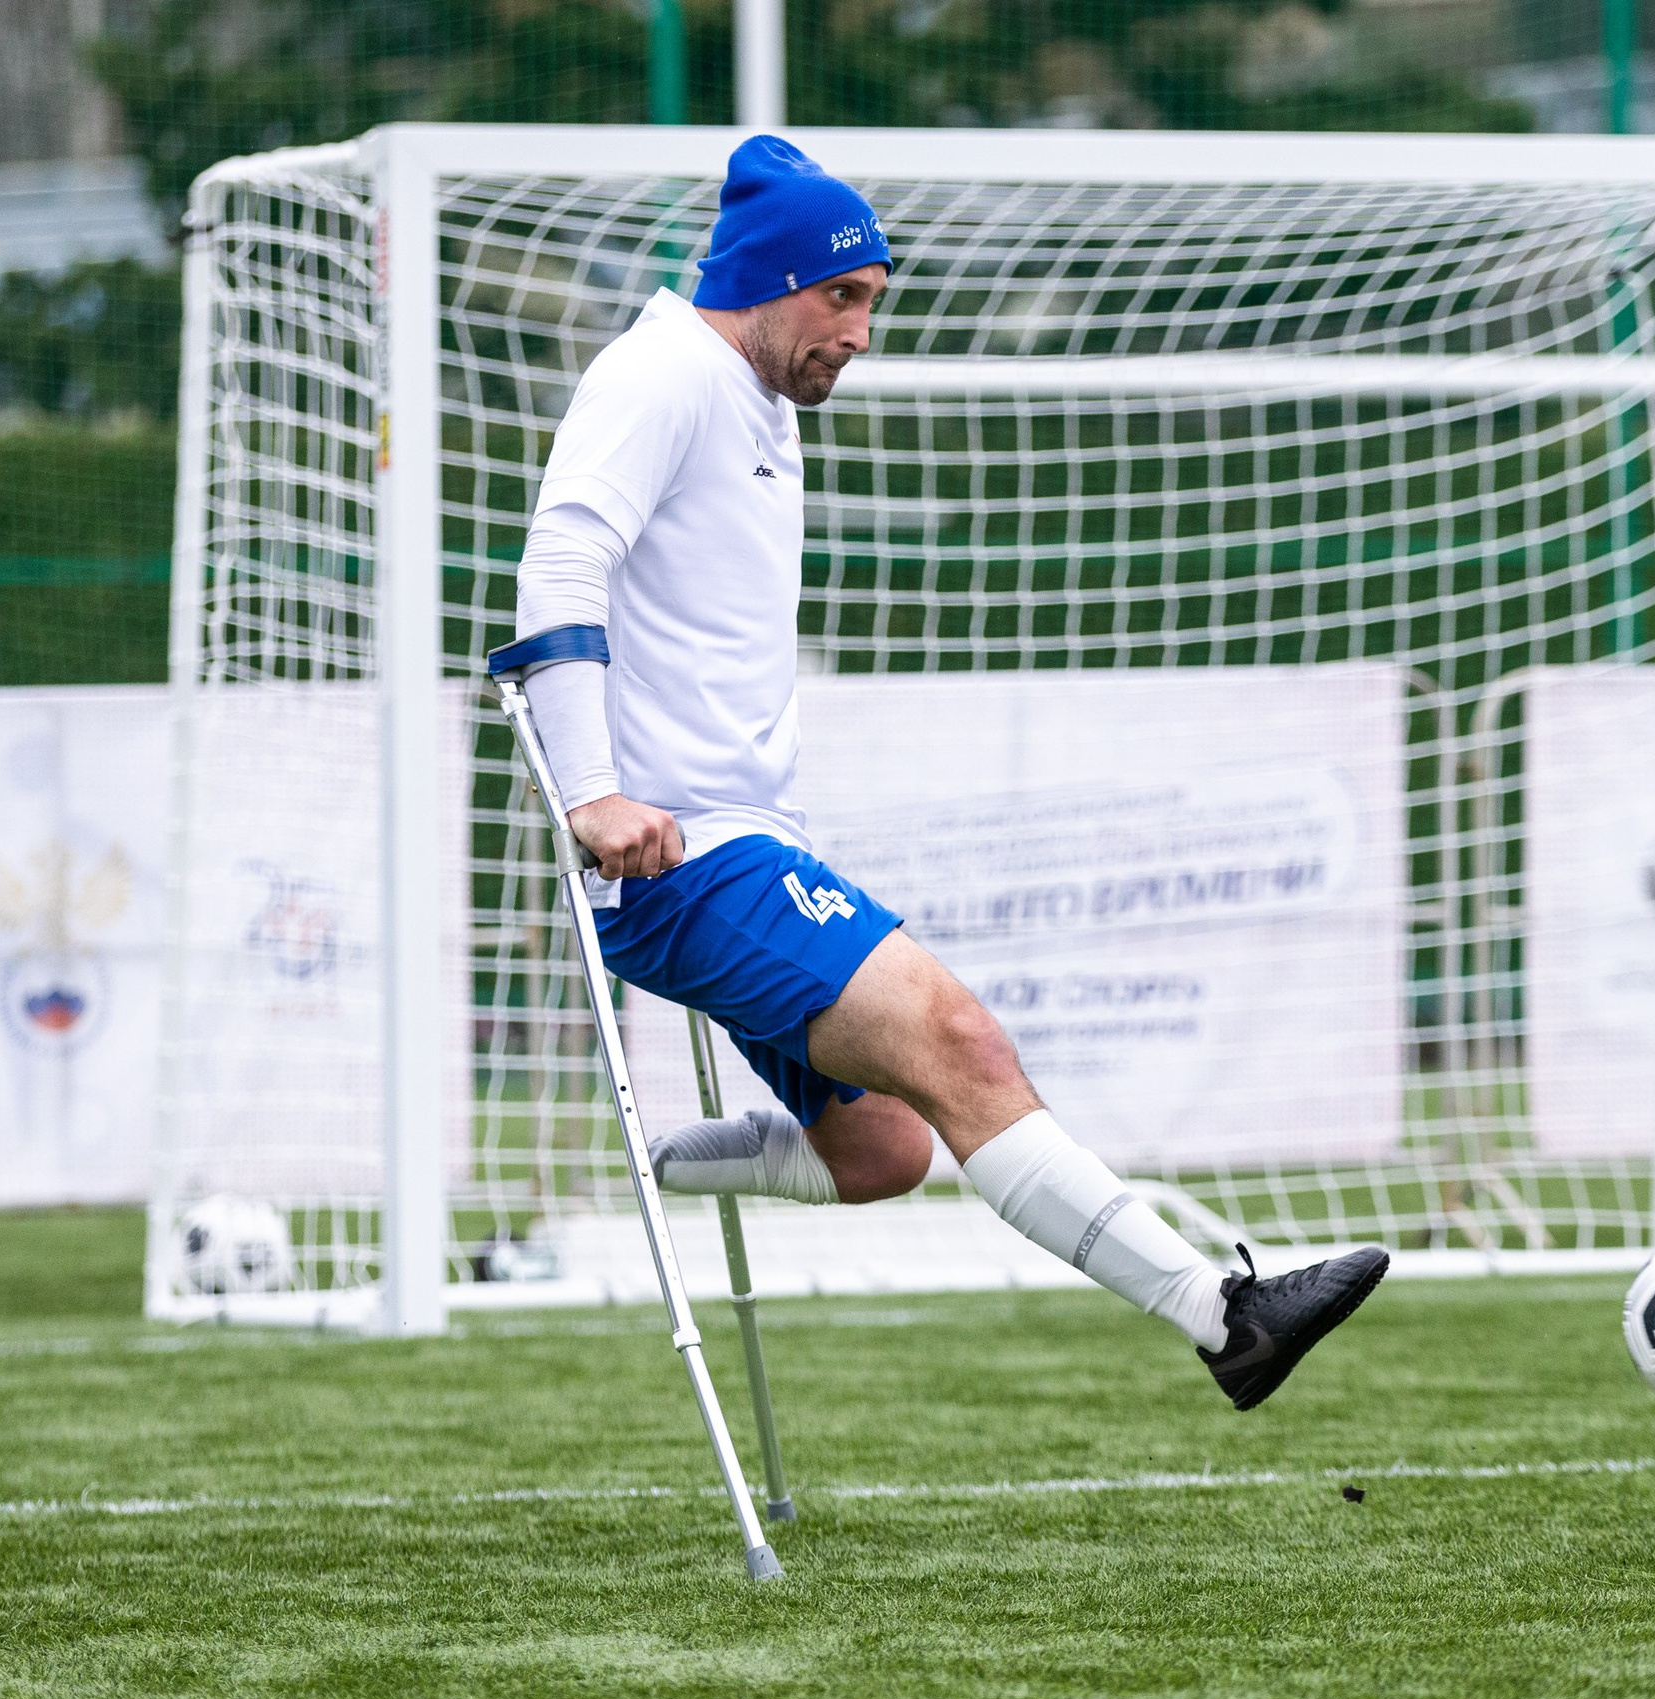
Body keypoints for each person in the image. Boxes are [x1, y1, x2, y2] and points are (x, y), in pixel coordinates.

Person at [505, 136, 1386, 1410]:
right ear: (763, 281)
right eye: (841, 298)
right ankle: (1223, 1317)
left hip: (749, 844)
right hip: (683, 855)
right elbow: (559, 566)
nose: (861, 331)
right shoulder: (663, 372)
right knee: (965, 1041)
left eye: (873, 301)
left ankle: (645, 1160)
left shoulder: (750, 395)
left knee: (881, 1149)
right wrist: (592, 796)